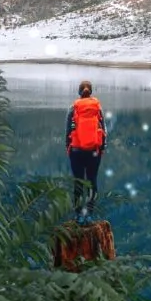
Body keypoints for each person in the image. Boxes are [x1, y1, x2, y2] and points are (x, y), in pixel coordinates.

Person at [66, 80, 107, 225]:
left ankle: (78, 216)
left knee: (78, 183)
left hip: (76, 151)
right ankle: (89, 214)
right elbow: (104, 130)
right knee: (92, 181)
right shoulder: (97, 108)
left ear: (79, 92)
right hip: (93, 152)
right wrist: (101, 149)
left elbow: (68, 131)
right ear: (91, 92)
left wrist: (69, 149)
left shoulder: (73, 108)